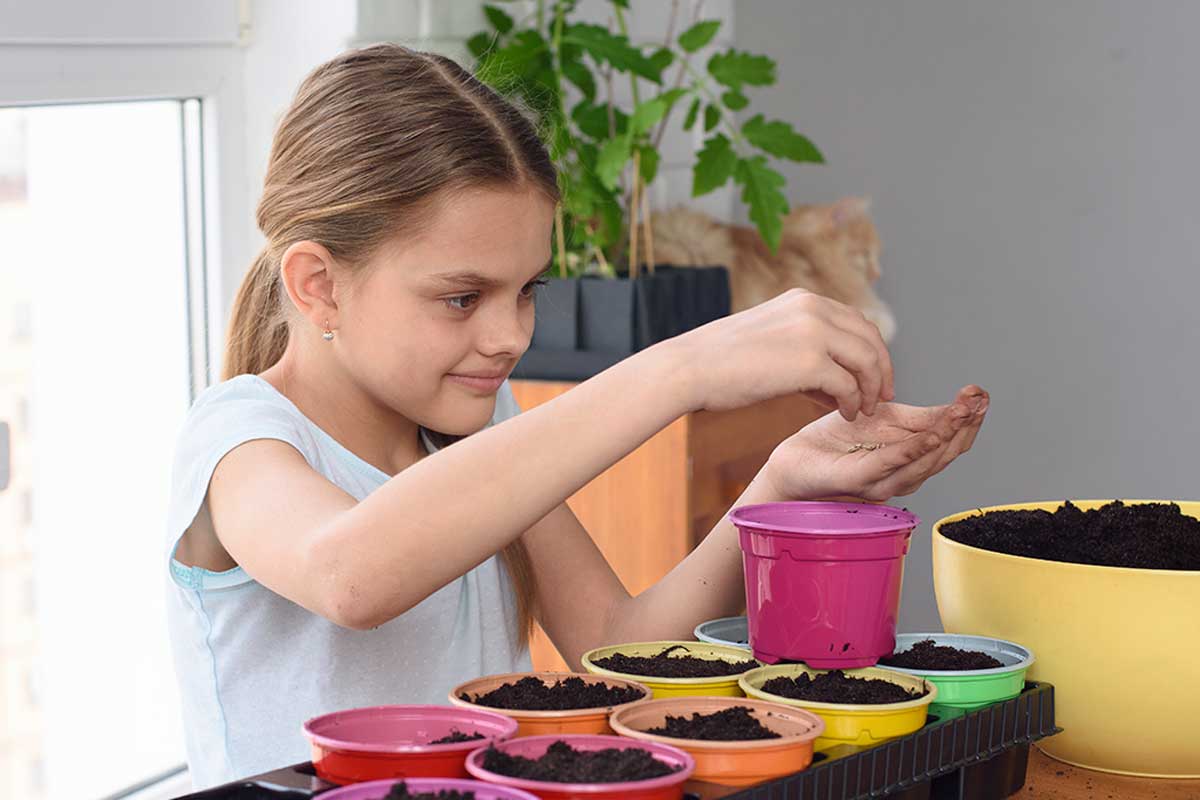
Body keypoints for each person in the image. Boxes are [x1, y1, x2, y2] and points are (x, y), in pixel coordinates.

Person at [164, 43, 988, 789]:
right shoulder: (239, 439)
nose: (510, 335)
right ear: (318, 286)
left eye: (527, 290)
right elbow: (351, 576)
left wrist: (781, 487)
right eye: (462, 296)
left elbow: (616, 648)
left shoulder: (476, 429)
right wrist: (681, 368)